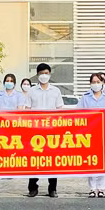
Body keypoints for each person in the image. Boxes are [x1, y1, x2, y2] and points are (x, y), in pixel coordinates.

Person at [25, 63, 65, 197]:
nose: (44, 76)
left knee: (52, 159)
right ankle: (33, 188)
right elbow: (27, 110)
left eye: (46, 73)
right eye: (41, 73)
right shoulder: (31, 91)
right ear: (37, 75)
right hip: (35, 130)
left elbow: (60, 110)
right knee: (34, 159)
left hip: (51, 130)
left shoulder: (56, 91)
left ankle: (52, 188)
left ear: (50, 74)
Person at [78, 73, 105, 197]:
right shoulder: (85, 98)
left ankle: (101, 188)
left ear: (102, 83)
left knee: (104, 160)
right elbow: (78, 113)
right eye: (93, 82)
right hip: (90, 134)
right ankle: (92, 187)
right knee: (91, 160)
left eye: (98, 82)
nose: (96, 84)